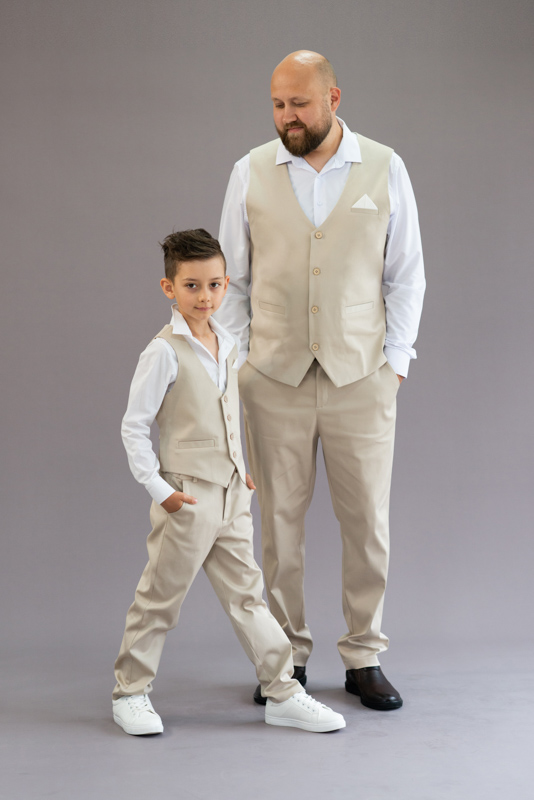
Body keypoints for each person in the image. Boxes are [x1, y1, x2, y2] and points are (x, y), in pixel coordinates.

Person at [217, 51, 426, 711]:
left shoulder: (385, 166)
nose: (288, 117)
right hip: (272, 378)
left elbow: (406, 274)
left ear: (333, 98)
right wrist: (240, 363)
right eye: (278, 105)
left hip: (361, 377)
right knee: (277, 526)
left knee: (367, 523)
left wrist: (395, 362)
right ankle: (286, 658)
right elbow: (231, 281)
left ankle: (364, 656)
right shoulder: (249, 171)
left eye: (300, 104)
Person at [112, 228, 346, 735]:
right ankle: (130, 692)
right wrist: (162, 491)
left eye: (215, 285)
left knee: (248, 597)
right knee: (159, 598)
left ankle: (283, 692)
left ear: (227, 284)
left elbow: (227, 414)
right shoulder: (163, 352)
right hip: (187, 497)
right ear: (169, 288)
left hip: (233, 494)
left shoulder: (229, 343)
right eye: (192, 286)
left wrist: (242, 469)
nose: (206, 296)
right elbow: (134, 426)